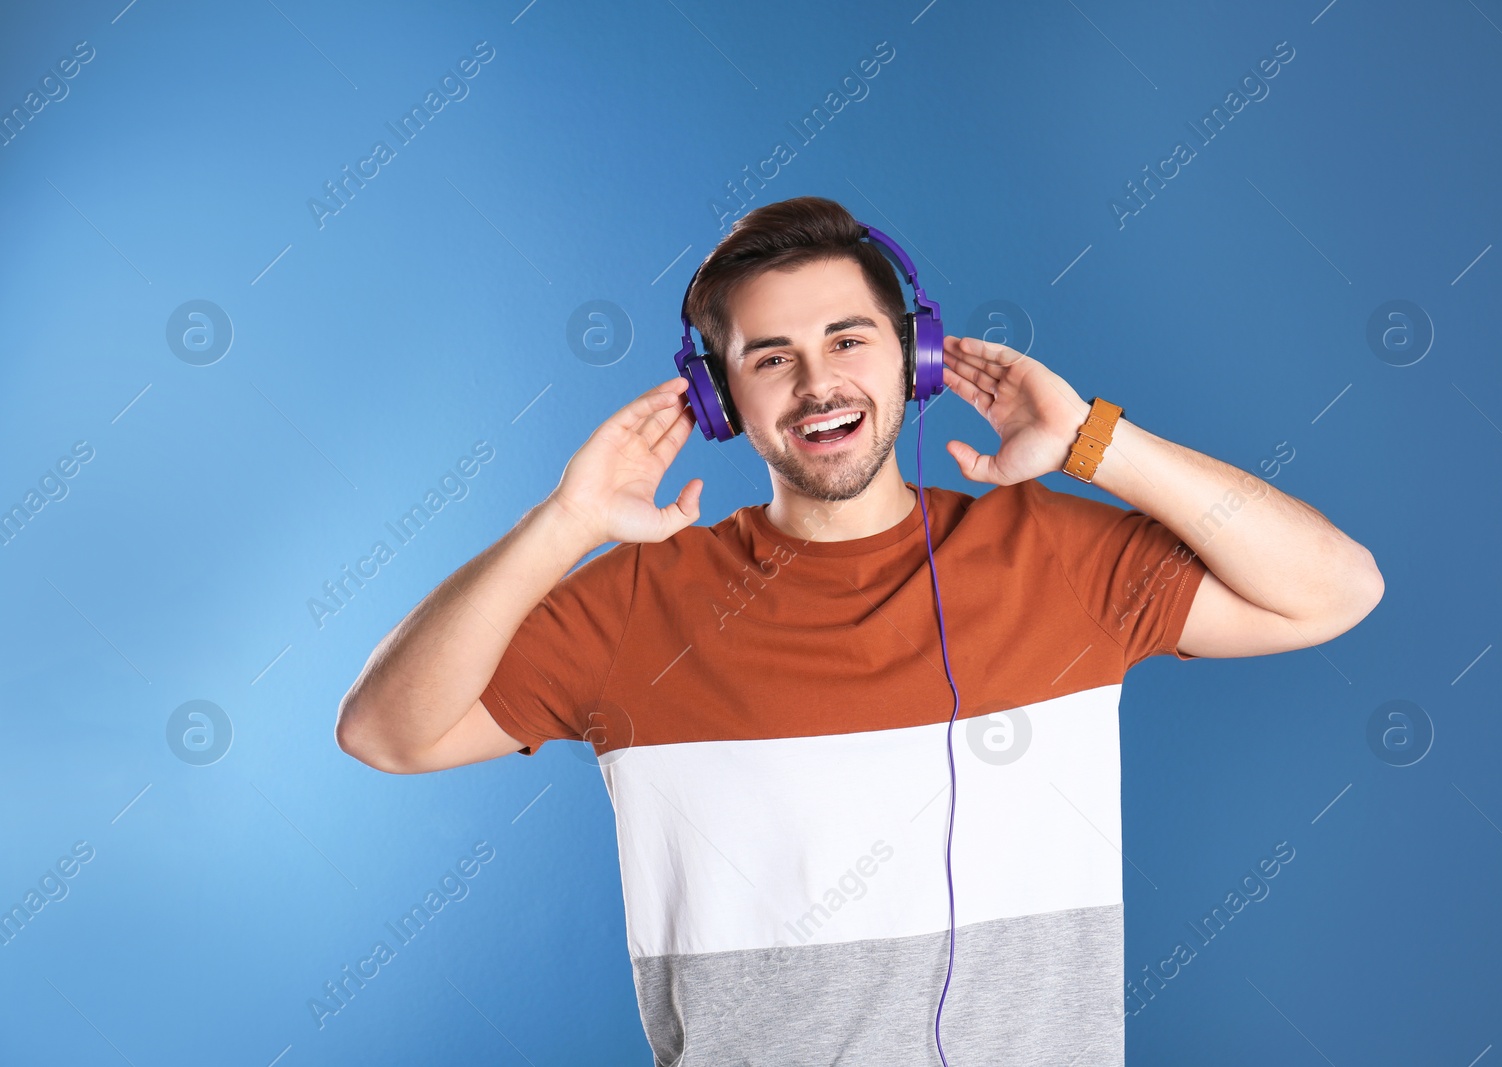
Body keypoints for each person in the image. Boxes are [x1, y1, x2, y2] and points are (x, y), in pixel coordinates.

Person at [335, 196, 1383, 1065]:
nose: (816, 381)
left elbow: (1333, 588)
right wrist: (562, 524)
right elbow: (386, 730)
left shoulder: (1056, 555)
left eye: (847, 338)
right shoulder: (635, 603)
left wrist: (1094, 445)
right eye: (769, 357)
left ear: (914, 357)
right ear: (720, 399)